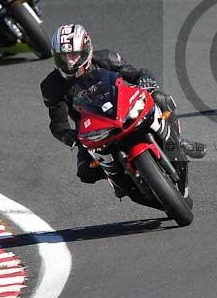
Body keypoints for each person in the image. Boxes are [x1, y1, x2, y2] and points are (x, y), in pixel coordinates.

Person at [40, 24, 206, 199]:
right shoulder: (51, 86)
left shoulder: (105, 58)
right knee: (85, 173)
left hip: (123, 109)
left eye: (73, 54)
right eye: (63, 57)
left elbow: (135, 73)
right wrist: (67, 135)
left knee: (159, 98)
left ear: (86, 49)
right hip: (92, 130)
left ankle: (177, 142)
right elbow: (57, 123)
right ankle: (118, 179)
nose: (70, 62)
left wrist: (145, 79)